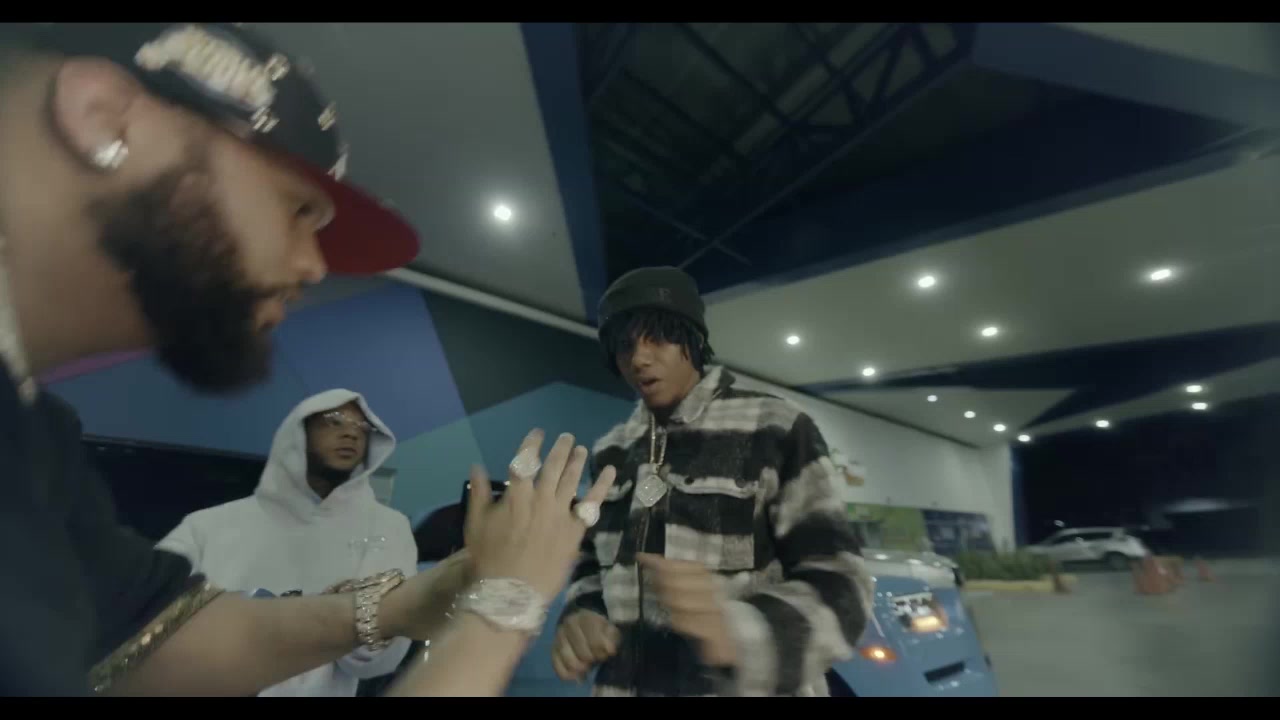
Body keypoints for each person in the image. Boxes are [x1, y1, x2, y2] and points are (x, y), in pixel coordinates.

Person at [0, 22, 614, 696]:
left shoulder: (34, 444)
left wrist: (406, 603)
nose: (314, 267)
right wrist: (507, 606)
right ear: (104, 115)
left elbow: (148, 643)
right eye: (297, 209)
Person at [551, 266, 875, 696]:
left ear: (694, 340)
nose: (639, 359)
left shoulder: (774, 425)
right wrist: (582, 611)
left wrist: (740, 634)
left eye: (658, 337)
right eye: (625, 346)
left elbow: (843, 584)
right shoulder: (610, 450)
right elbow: (592, 562)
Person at [158, 390, 418, 697]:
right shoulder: (206, 526)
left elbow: (377, 658)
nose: (351, 433)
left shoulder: (386, 528)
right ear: (297, 434)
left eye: (362, 428)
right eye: (334, 421)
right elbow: (140, 621)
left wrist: (351, 621)